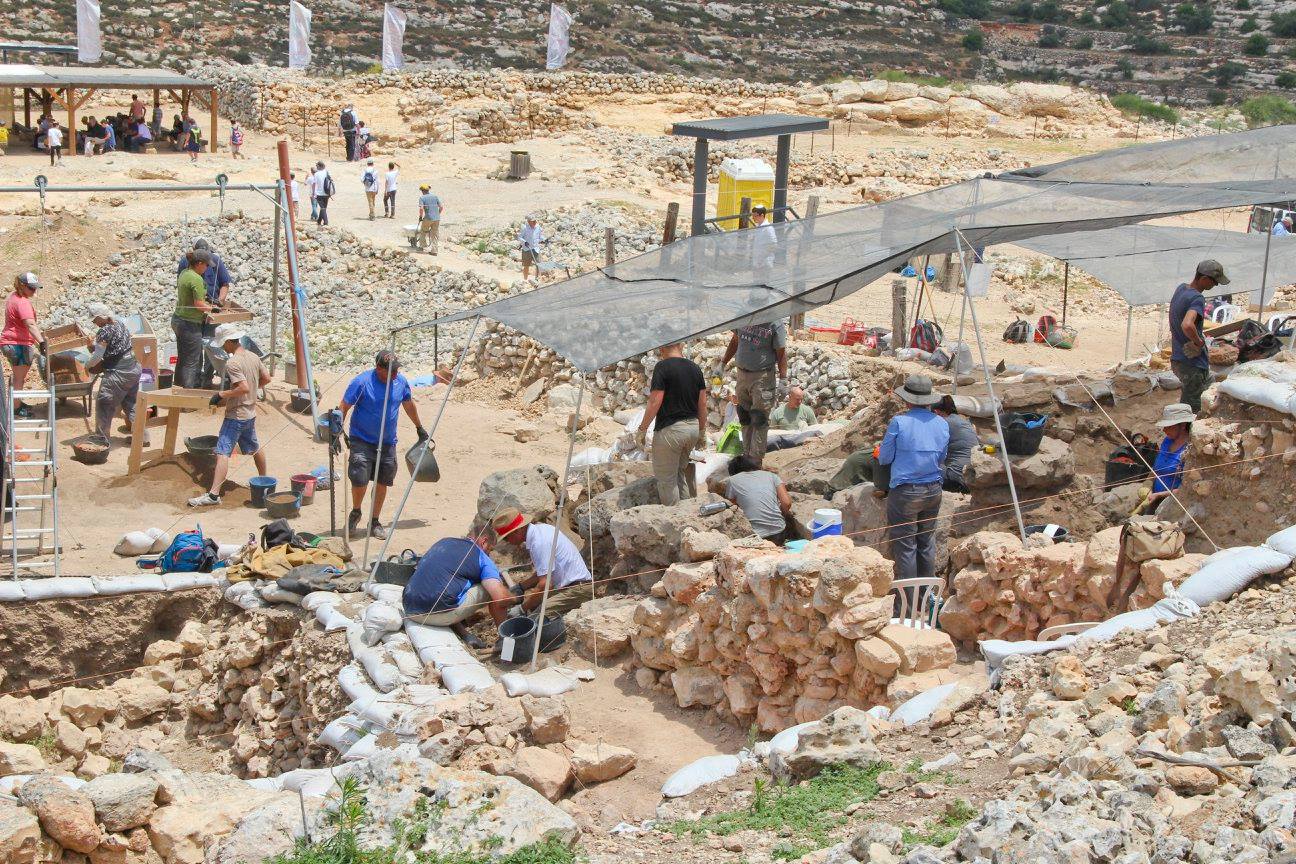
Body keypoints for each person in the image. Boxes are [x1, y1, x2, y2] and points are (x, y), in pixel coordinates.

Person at [338, 350, 427, 539]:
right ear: (379, 368)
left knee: (382, 482)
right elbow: (344, 406)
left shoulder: (400, 382)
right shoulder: (362, 383)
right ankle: (356, 512)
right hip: (361, 440)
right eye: (391, 371)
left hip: (387, 442)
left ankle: (375, 521)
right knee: (359, 480)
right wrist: (337, 430)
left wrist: (419, 427)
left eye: (397, 370)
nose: (395, 374)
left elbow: (408, 404)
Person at [188, 324, 271, 508]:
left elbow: (243, 388)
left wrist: (222, 395)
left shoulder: (233, 363)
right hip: (250, 412)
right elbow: (266, 378)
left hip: (236, 414)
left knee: (222, 452)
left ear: (227, 342)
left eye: (223, 344)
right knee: (255, 447)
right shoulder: (253, 356)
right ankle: (265, 483)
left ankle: (213, 494)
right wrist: (252, 390)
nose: (223, 348)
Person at [879, 375, 950, 582]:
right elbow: (942, 457)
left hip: (906, 492)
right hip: (934, 489)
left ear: (907, 400)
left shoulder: (899, 422)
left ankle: (908, 605)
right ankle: (927, 599)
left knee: (906, 547)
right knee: (927, 543)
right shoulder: (942, 424)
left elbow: (884, 458)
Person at [636, 343, 706, 506]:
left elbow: (655, 401)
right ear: (681, 346)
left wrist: (642, 429)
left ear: (661, 349)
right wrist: (702, 430)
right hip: (692, 428)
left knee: (667, 480)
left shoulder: (663, 367)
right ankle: (687, 515)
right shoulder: (695, 368)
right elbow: (702, 403)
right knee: (679, 474)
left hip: (671, 430)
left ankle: (675, 523)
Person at [491, 508, 593, 618]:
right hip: (572, 586)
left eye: (506, 538)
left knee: (536, 620)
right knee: (534, 605)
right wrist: (521, 587)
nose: (508, 542)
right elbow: (546, 572)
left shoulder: (538, 543)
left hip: (578, 590)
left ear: (517, 531)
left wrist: (522, 608)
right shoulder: (541, 530)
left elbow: (546, 584)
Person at [402, 535, 511, 627]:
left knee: (452, 584)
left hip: (408, 609)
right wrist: (517, 599)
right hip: (436, 616)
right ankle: (505, 639)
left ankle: (463, 632)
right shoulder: (482, 557)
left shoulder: (443, 543)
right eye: (490, 549)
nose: (488, 554)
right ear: (484, 541)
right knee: (491, 587)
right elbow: (501, 598)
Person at [719, 319, 788, 465]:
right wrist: (723, 363)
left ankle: (755, 460)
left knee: (759, 418)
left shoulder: (774, 322)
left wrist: (783, 379)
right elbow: (735, 340)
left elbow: (781, 352)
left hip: (762, 377)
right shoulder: (747, 314)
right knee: (744, 415)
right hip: (742, 374)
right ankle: (746, 454)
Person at [1169, 259, 1228, 413]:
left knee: (1209, 389)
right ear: (1204, 279)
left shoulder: (1181, 289)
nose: (1214, 286)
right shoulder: (1197, 298)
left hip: (1179, 358)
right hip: (1191, 364)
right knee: (1190, 409)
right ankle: (1184, 434)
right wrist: (1199, 342)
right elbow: (1187, 324)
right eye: (1214, 282)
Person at [85, 302, 143, 449]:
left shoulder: (104, 331)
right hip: (133, 368)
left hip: (119, 372)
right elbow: (113, 347)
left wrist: (88, 365)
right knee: (131, 404)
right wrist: (95, 348)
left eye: (94, 319)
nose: (94, 322)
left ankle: (101, 438)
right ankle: (142, 437)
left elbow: (98, 356)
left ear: (101, 317)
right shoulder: (119, 323)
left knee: (105, 403)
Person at [1, 273, 46, 420]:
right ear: (23, 286)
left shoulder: (13, 297)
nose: (34, 292)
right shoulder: (22, 302)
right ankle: (16, 410)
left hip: (11, 343)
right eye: (31, 289)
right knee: (19, 379)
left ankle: (17, 404)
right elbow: (30, 324)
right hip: (18, 344)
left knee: (17, 378)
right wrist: (42, 342)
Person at [723, 455, 794, 545]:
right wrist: (781, 515)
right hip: (778, 531)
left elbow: (732, 507)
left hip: (752, 535)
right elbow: (787, 503)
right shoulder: (772, 476)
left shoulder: (732, 481)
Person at [171, 250, 215, 389]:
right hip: (189, 324)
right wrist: (212, 309)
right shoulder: (196, 278)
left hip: (178, 320)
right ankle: (187, 399)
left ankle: (177, 391)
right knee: (192, 362)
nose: (207, 268)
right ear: (199, 264)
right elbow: (199, 305)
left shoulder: (184, 273)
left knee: (182, 359)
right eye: (206, 265)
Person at [1144, 403, 1194, 510]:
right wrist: (1147, 484)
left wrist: (1159, 495)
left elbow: (1186, 488)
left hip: (1172, 506)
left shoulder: (1189, 449)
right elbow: (1157, 468)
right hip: (1153, 498)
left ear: (1183, 425)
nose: (1164, 430)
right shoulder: (1167, 441)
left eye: (1169, 426)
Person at [932, 395, 977, 493]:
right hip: (969, 476)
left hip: (956, 478)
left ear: (936, 412)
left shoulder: (944, 423)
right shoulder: (961, 420)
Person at [750, 203, 777, 275]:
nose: (753, 218)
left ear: (762, 215)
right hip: (757, 263)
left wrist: (762, 257)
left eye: (755, 216)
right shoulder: (758, 227)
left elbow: (773, 245)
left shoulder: (768, 228)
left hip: (764, 264)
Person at [416, 184, 443, 254]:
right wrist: (438, 214)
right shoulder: (435, 196)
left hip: (428, 218)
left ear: (422, 191)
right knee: (435, 234)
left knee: (423, 231)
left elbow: (421, 208)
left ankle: (422, 246)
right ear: (428, 190)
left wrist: (420, 217)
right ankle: (434, 251)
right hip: (437, 218)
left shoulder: (422, 198)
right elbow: (441, 207)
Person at [517, 214, 544, 281]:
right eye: (532, 221)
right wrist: (524, 242)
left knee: (539, 264)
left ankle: (537, 279)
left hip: (536, 248)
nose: (534, 222)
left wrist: (544, 239)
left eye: (535, 221)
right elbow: (519, 237)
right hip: (527, 249)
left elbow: (540, 237)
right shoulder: (524, 228)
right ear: (529, 222)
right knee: (526, 266)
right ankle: (525, 280)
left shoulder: (538, 227)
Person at [313, 161, 333, 226]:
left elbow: (314, 184)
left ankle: (326, 222)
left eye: (317, 166)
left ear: (319, 166)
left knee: (323, 208)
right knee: (323, 208)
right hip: (327, 193)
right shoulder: (326, 172)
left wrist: (314, 193)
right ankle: (319, 221)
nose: (316, 167)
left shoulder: (316, 174)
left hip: (319, 193)